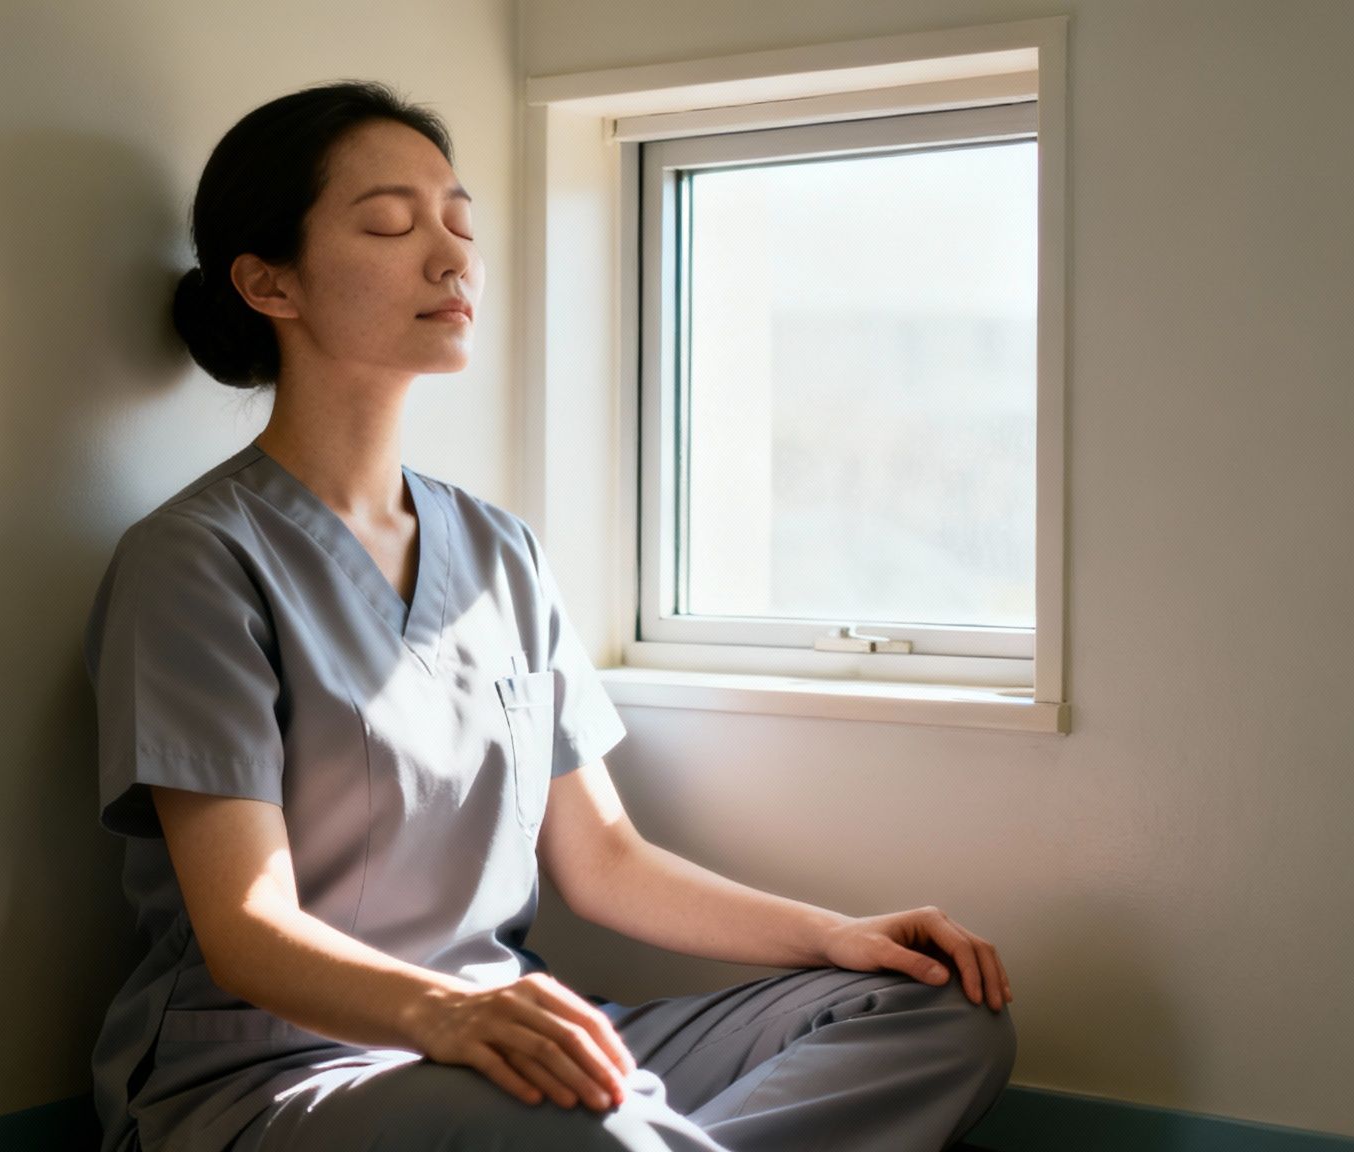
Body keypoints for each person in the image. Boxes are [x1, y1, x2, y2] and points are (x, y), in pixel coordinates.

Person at [85, 79, 1017, 1152]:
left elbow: (605, 861)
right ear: (268, 282)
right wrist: (450, 1017)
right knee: (578, 1117)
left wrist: (836, 935)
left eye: (459, 222)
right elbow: (248, 930)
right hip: (282, 1075)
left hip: (514, 1043)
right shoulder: (196, 561)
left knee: (937, 1011)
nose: (451, 258)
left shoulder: (500, 554)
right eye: (389, 225)